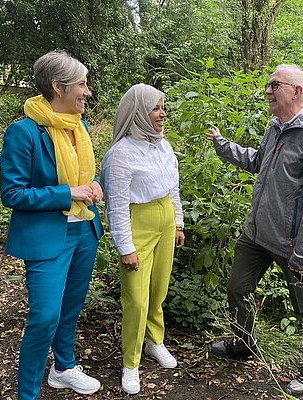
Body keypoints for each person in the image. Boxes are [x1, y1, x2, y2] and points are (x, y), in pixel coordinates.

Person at [206, 64, 303, 396]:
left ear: (296, 91)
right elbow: (258, 161)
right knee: (237, 288)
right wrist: (223, 145)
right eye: (268, 84)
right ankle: (244, 343)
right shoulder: (275, 126)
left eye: (274, 85)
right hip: (256, 234)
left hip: (291, 242)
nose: (267, 90)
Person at [0, 50, 104, 399]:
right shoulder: (24, 132)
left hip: (84, 232)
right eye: (82, 84)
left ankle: (63, 368)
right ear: (58, 87)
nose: (87, 91)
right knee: (45, 317)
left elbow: (82, 175)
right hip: (47, 239)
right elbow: (12, 193)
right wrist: (68, 192)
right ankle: (27, 394)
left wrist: (92, 186)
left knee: (71, 308)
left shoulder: (80, 126)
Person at [101, 83, 185, 395]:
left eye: (163, 107)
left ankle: (155, 341)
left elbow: (172, 187)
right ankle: (130, 363)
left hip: (164, 218)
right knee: (136, 298)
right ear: (138, 112)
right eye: (156, 107)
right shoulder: (120, 154)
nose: (162, 113)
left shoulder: (163, 146)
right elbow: (116, 205)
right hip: (138, 222)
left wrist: (177, 222)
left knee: (158, 289)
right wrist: (125, 247)